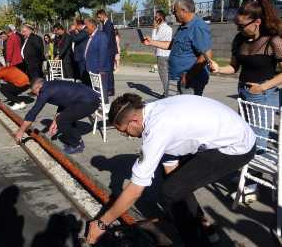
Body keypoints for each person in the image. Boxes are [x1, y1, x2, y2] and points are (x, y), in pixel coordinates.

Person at [86, 93, 256, 247]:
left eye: (123, 130)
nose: (126, 136)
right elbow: (170, 163)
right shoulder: (152, 109)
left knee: (172, 190)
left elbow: (135, 190)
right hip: (226, 134)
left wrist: (102, 222)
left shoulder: (157, 128)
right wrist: (175, 208)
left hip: (237, 146)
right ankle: (203, 226)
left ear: (134, 120)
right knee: (174, 187)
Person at [210, 0, 282, 198]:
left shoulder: (273, 41)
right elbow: (233, 67)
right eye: (237, 24)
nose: (238, 29)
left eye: (242, 26)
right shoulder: (240, 39)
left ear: (257, 22)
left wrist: (262, 87)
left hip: (264, 96)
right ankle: (247, 172)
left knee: (258, 141)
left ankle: (252, 184)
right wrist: (217, 69)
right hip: (243, 93)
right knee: (244, 137)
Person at [143, 0, 212, 96]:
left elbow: (206, 55)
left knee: (187, 109)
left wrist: (189, 74)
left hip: (192, 81)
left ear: (183, 10)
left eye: (175, 11)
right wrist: (152, 42)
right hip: (182, 78)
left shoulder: (198, 27)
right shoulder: (183, 26)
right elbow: (173, 45)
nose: (173, 14)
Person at [13, 78, 100, 154]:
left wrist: (21, 131)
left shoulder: (44, 92)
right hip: (88, 99)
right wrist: (54, 121)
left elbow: (33, 112)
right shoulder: (51, 84)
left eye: (34, 92)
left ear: (38, 87)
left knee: (62, 120)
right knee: (65, 117)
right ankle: (77, 141)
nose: (36, 95)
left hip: (89, 102)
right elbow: (63, 102)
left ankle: (76, 145)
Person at [83, 18, 111, 104]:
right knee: (95, 90)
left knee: (101, 90)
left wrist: (101, 68)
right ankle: (97, 106)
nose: (86, 29)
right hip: (91, 67)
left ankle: (104, 108)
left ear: (92, 26)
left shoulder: (101, 36)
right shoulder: (91, 36)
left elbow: (103, 53)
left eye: (87, 27)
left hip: (99, 68)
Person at [151, 10, 172, 98]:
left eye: (156, 17)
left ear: (160, 19)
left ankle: (167, 94)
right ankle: (167, 93)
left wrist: (154, 29)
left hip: (162, 54)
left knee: (163, 76)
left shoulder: (161, 28)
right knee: (167, 76)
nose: (154, 20)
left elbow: (153, 40)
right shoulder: (169, 28)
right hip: (168, 54)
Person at [97, 9, 118, 96]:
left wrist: (104, 50)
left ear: (103, 15)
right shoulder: (106, 24)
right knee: (108, 70)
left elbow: (107, 40)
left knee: (109, 71)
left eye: (99, 17)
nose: (98, 19)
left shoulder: (108, 25)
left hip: (109, 51)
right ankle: (109, 88)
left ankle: (110, 89)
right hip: (110, 51)